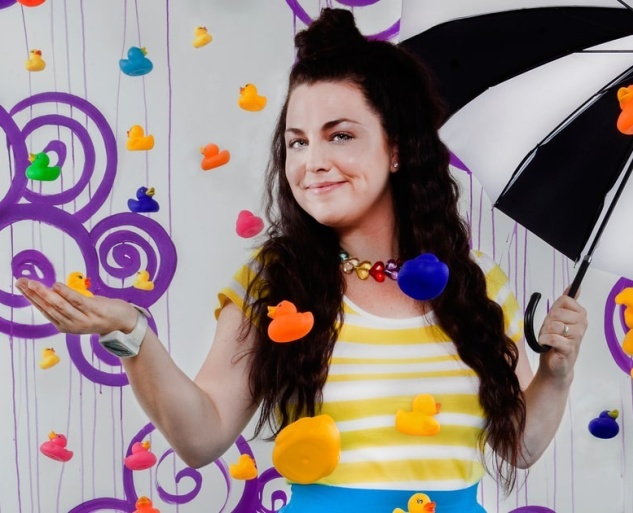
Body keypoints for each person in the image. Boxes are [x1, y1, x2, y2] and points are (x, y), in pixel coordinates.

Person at [14, 8, 587, 513]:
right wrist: (131, 335)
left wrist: (555, 374)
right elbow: (202, 437)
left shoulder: (475, 281)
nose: (312, 161)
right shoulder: (275, 280)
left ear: (395, 148)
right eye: (297, 141)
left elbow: (520, 446)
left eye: (340, 136)